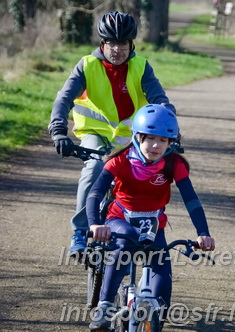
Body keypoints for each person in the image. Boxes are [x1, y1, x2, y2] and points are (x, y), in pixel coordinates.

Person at [48, 11, 176, 257]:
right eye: (112, 43)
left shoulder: (141, 67)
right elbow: (63, 99)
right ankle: (81, 231)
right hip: (96, 134)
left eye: (123, 43)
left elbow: (160, 100)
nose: (117, 49)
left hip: (131, 138)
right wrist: (58, 131)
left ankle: (138, 231)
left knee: (140, 176)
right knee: (96, 169)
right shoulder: (87, 65)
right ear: (102, 44)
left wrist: (171, 129)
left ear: (131, 44)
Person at [86, 104, 215, 330]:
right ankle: (105, 306)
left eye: (163, 140)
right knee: (124, 242)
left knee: (162, 284)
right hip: (119, 221)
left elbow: (191, 200)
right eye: (150, 139)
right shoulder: (120, 161)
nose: (156, 146)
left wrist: (203, 233)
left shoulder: (174, 164)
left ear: (171, 143)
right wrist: (95, 224)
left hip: (154, 228)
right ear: (138, 137)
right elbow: (95, 193)